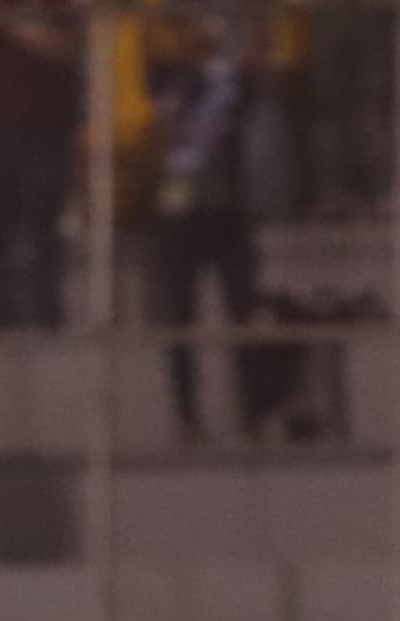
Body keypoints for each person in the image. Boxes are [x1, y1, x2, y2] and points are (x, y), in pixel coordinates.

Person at [145, 12, 266, 442]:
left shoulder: (232, 79)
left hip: (228, 208)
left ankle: (253, 411)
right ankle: (187, 416)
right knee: (179, 316)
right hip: (178, 212)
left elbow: (256, 54)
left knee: (244, 312)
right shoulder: (162, 75)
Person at [0, 0, 83, 328]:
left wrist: (16, 27)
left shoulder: (58, 6)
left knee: (43, 221)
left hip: (48, 131)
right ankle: (3, 308)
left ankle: (46, 310)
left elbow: (69, 48)